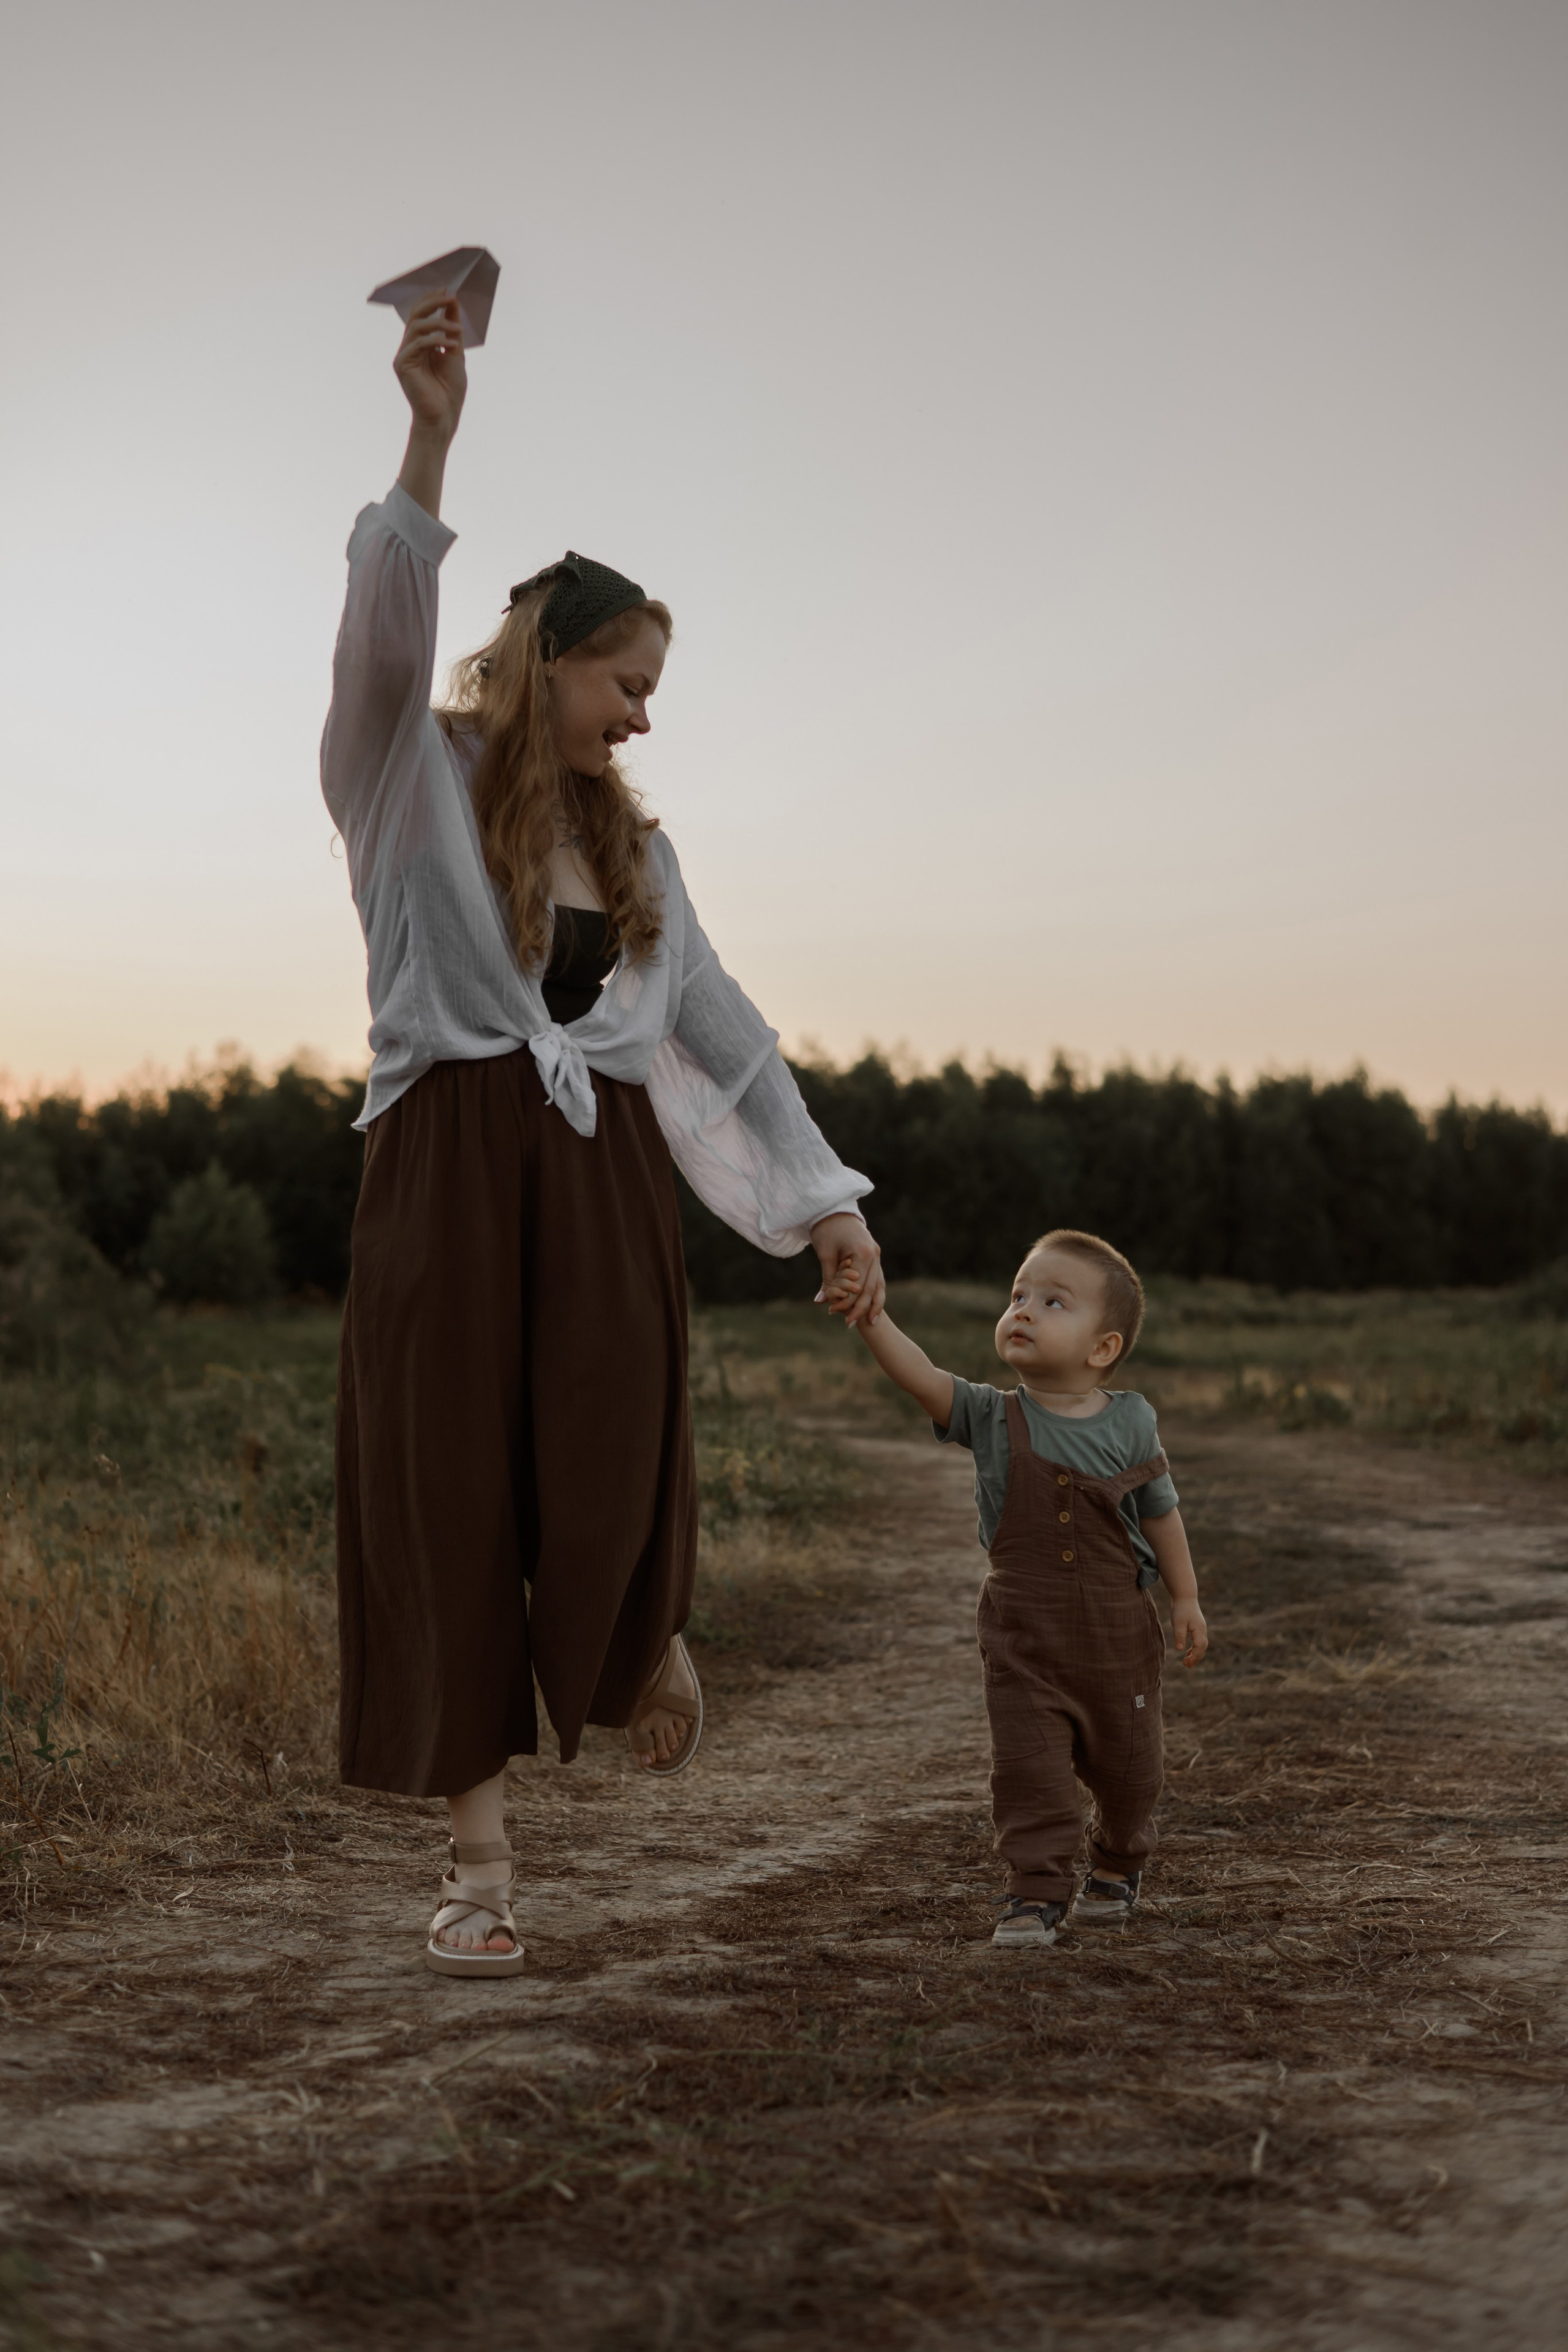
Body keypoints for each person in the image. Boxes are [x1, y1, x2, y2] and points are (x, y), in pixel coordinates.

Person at [322, 289, 884, 1978]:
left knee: (619, 1434)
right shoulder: (403, 777)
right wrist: (429, 436)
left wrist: (827, 1205)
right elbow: (376, 633)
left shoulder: (643, 861)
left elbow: (721, 1029)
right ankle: (478, 1865)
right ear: (550, 659)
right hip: (444, 1166)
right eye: (627, 682)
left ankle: (641, 1632)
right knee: (445, 1492)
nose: (644, 714)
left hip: (600, 1180)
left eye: (651, 691)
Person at [850, 1229, 1207, 1947]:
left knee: (1131, 1773)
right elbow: (919, 1375)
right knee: (1028, 1771)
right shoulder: (988, 1414)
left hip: (1116, 1635)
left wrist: (1186, 1599)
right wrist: (872, 1319)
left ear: (1101, 1348)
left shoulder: (1131, 1421)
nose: (1023, 1310)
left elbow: (1161, 1512)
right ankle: (1035, 1894)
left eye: (1051, 1301)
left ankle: (1117, 1862)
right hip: (1022, 1636)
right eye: (1017, 1295)